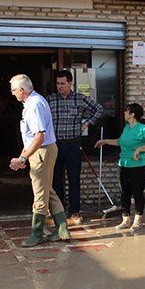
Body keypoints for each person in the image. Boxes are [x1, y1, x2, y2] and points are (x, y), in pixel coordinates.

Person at [9, 74, 71, 247]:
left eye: (14, 90)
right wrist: (23, 156)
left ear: (22, 90)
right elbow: (30, 138)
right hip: (41, 150)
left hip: (42, 151)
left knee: (40, 193)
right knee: (47, 189)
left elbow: (39, 136)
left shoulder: (34, 104)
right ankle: (62, 229)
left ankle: (36, 234)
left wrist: (22, 157)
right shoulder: (32, 102)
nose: (12, 94)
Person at [47, 70, 103, 225]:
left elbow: (99, 109)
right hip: (55, 144)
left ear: (70, 83)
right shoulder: (50, 100)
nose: (59, 86)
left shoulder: (80, 99)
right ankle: (58, 211)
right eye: (58, 83)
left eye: (63, 83)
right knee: (56, 179)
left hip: (73, 143)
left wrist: (87, 123)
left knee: (74, 178)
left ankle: (75, 211)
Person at [94, 103, 145, 234]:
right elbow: (120, 141)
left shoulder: (143, 129)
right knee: (125, 194)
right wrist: (104, 141)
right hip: (123, 166)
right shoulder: (127, 127)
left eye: (126, 111)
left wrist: (139, 149)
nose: (124, 113)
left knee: (137, 194)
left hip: (138, 168)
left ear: (132, 114)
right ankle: (126, 219)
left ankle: (137, 220)